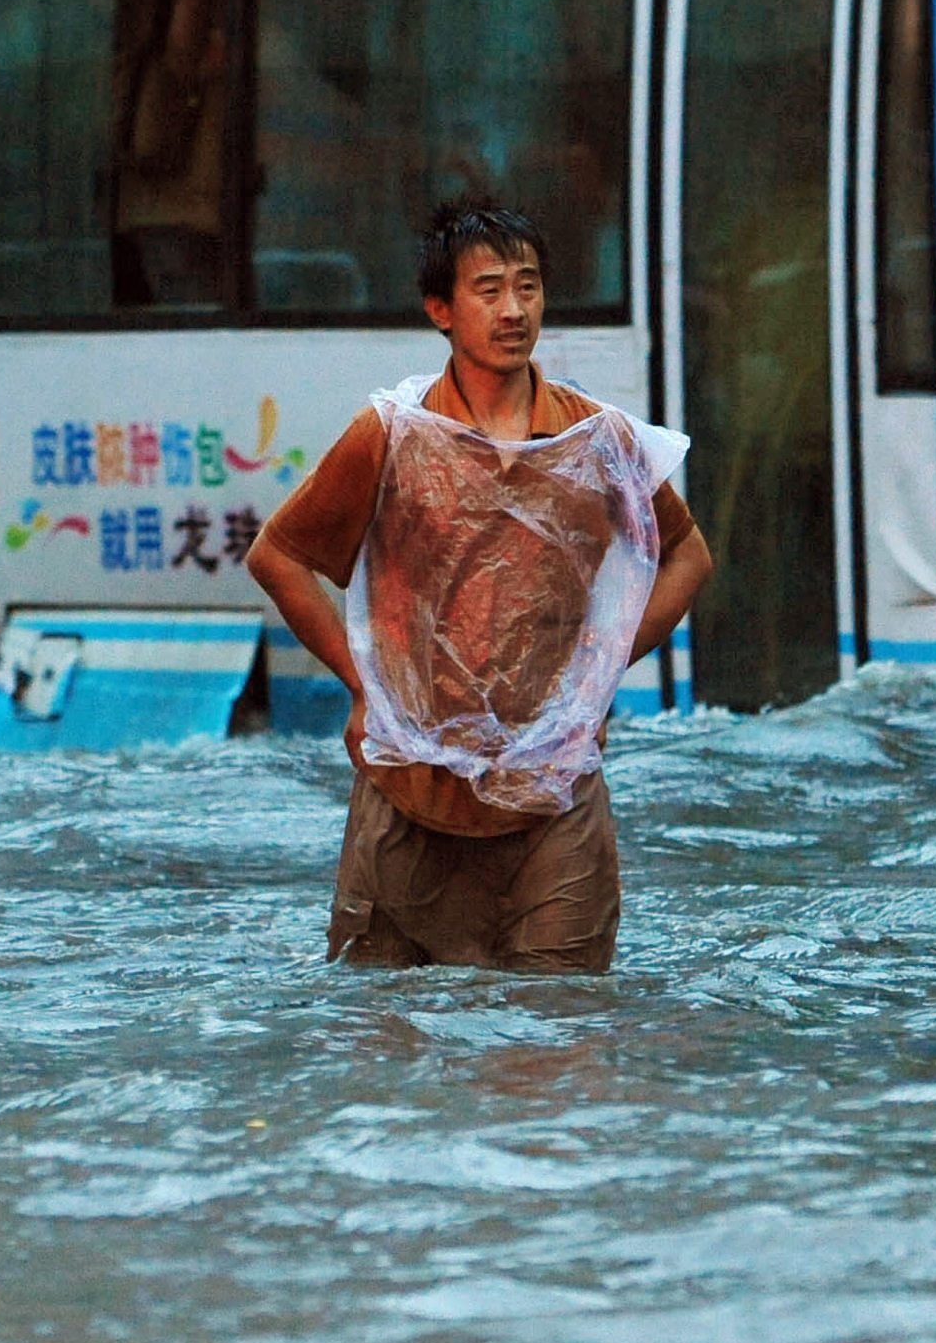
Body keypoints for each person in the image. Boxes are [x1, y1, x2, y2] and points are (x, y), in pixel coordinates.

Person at [246, 198, 712, 972]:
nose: (513, 309)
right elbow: (279, 555)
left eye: (527, 288)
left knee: (559, 1039)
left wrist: (596, 675)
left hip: (552, 799)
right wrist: (365, 689)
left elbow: (688, 553)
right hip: (410, 794)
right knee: (388, 1046)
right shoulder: (392, 433)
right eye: (488, 289)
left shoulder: (594, 437)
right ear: (440, 310)